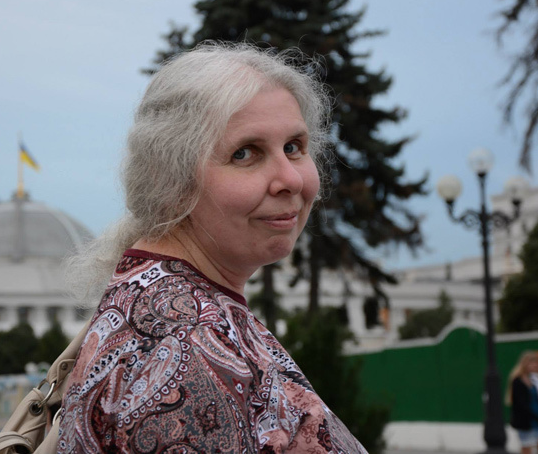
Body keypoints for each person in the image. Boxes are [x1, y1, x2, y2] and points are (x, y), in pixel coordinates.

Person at [57, 43, 367, 453]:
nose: (291, 179)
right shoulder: (185, 346)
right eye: (245, 153)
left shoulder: (176, 307)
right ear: (171, 180)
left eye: (293, 147)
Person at [507, 351, 538, 454]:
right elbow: (522, 405)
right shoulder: (517, 382)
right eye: (533, 363)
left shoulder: (533, 380)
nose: (535, 365)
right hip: (526, 423)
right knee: (527, 450)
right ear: (525, 363)